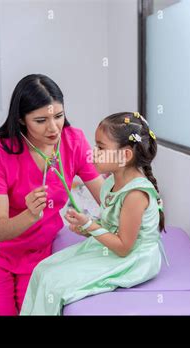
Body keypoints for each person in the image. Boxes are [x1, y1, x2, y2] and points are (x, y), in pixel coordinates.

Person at [0, 74, 103, 315]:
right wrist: (30, 213)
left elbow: (106, 196)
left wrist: (136, 203)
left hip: (37, 254)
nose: (53, 127)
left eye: (58, 116)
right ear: (21, 119)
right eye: (40, 120)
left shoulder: (74, 142)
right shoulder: (0, 151)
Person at [20, 111, 167, 315]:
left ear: (125, 155)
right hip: (117, 248)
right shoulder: (110, 184)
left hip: (134, 259)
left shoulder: (135, 194)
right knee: (42, 270)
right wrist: (87, 227)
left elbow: (124, 248)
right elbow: (111, 226)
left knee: (55, 283)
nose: (93, 152)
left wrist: (91, 226)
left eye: (101, 147)